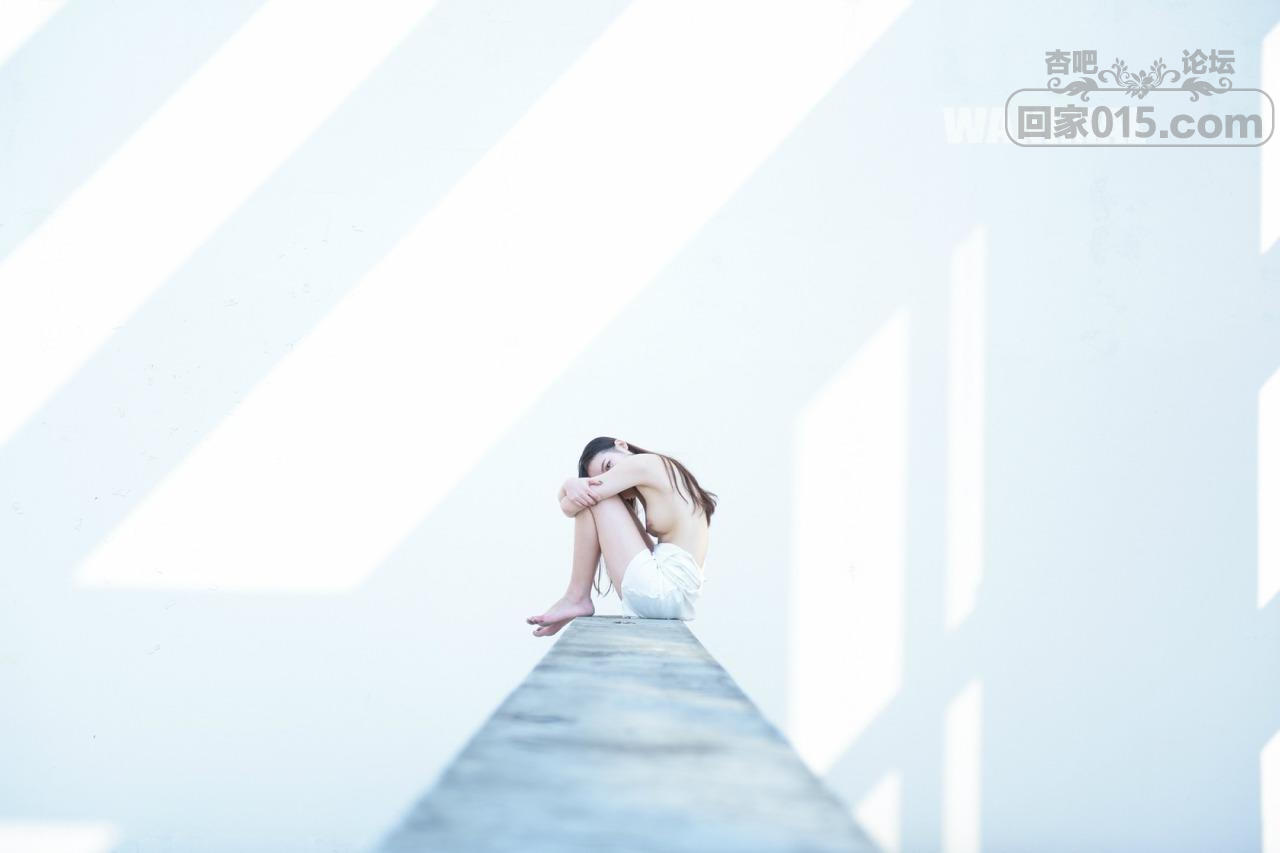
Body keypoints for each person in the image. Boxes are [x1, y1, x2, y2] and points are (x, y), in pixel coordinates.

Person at [526, 437, 717, 637]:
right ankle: (576, 598)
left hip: (664, 592)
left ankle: (576, 597)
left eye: (609, 467)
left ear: (621, 445)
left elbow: (569, 506)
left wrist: (569, 485)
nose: (612, 478)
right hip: (671, 594)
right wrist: (572, 488)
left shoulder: (644, 463)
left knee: (591, 498)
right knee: (589, 495)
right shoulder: (663, 472)